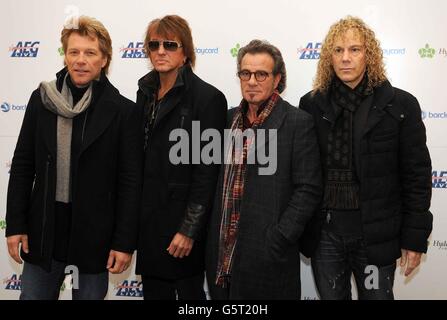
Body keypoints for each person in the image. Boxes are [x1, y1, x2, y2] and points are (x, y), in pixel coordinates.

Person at [5, 16, 142, 300]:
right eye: (74, 51)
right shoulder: (42, 99)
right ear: (65, 55)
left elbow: (130, 182)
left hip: (95, 237)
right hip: (44, 230)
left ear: (104, 59)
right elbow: (22, 166)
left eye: (90, 53)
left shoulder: (122, 111)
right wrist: (15, 225)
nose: (81, 60)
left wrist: (124, 242)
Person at [298, 16, 433, 300]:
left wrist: (414, 238)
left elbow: (417, 175)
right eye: (338, 50)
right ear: (328, 58)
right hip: (325, 237)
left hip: (375, 237)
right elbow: (302, 173)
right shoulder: (311, 105)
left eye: (355, 50)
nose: (346, 58)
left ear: (368, 55)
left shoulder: (400, 105)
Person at [205, 39, 322, 299]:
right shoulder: (225, 120)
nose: (252, 81)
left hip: (267, 257)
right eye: (245, 73)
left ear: (277, 78)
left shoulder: (297, 122)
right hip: (221, 256)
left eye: (261, 74)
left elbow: (309, 189)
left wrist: (279, 238)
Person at [135, 15, 227, 300]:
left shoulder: (208, 98)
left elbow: (207, 172)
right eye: (154, 44)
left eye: (170, 44)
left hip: (181, 229)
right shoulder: (145, 93)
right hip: (148, 223)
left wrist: (189, 229)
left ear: (185, 51)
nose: (161, 51)